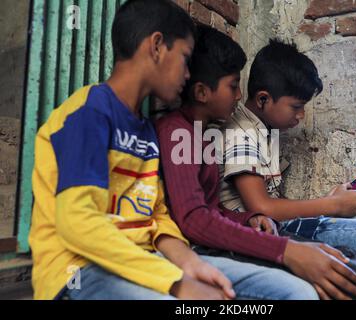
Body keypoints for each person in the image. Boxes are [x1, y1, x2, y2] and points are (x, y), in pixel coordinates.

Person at [28, 0, 306, 301]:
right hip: (81, 271)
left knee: (295, 291)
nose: (188, 75)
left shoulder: (146, 131)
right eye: (185, 59)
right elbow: (77, 224)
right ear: (157, 46)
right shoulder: (87, 113)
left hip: (150, 261)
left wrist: (191, 264)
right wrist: (177, 282)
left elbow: (157, 215)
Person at [157, 25, 356, 301]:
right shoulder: (178, 133)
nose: (237, 96)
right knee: (324, 280)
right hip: (201, 250)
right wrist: (282, 250)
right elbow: (195, 220)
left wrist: (249, 218)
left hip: (224, 239)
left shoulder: (204, 135)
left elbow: (212, 209)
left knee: (350, 264)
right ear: (202, 92)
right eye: (233, 86)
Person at [218, 39, 356, 300]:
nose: (301, 116)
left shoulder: (264, 130)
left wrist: (330, 200)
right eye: (296, 106)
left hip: (283, 223)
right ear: (263, 99)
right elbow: (262, 208)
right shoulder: (241, 134)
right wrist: (330, 205)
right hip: (265, 233)